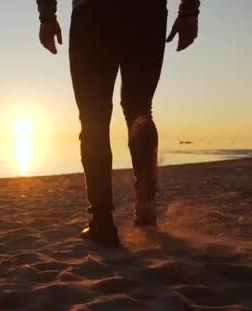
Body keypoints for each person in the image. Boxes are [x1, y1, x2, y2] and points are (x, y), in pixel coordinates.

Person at [37, 0, 200, 247]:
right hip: (148, 13)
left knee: (94, 117)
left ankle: (102, 221)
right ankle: (146, 211)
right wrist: (189, 12)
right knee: (139, 109)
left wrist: (47, 17)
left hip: (93, 12)